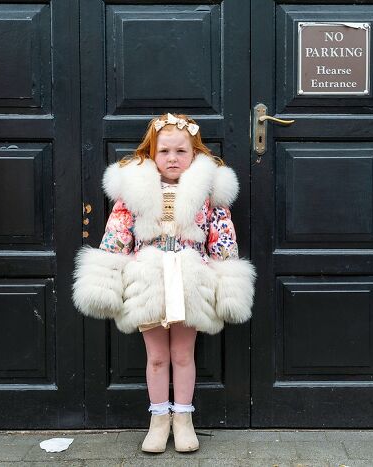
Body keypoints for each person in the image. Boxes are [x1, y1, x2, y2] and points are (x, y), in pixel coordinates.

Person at [71, 112, 256, 453]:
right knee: (156, 357)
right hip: (148, 279)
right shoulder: (133, 191)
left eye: (181, 152)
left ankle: (183, 419)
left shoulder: (209, 192)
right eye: (165, 152)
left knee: (183, 355)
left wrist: (228, 281)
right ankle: (158, 420)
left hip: (190, 279)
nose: (172, 159)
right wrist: (106, 279)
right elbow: (116, 235)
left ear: (194, 153)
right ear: (152, 153)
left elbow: (223, 238)